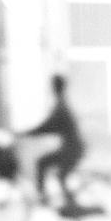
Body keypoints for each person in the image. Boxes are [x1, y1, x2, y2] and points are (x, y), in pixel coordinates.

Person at [22, 74, 85, 209]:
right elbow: (49, 126)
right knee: (61, 176)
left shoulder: (61, 108)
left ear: (54, 87)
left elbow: (47, 126)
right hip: (72, 148)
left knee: (42, 163)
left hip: (72, 149)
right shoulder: (62, 104)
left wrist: (26, 133)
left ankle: (46, 198)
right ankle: (70, 204)